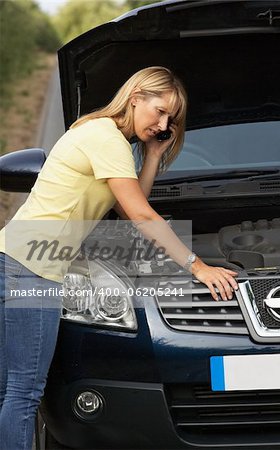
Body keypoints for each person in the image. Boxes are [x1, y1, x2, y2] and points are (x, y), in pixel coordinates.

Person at [0, 66, 238, 450]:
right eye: (159, 111)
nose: (163, 123)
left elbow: (129, 209)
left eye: (170, 119)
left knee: (7, 392)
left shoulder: (102, 134)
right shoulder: (105, 137)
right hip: (32, 267)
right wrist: (198, 265)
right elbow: (142, 216)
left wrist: (153, 155)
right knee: (25, 393)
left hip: (13, 256)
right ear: (136, 97)